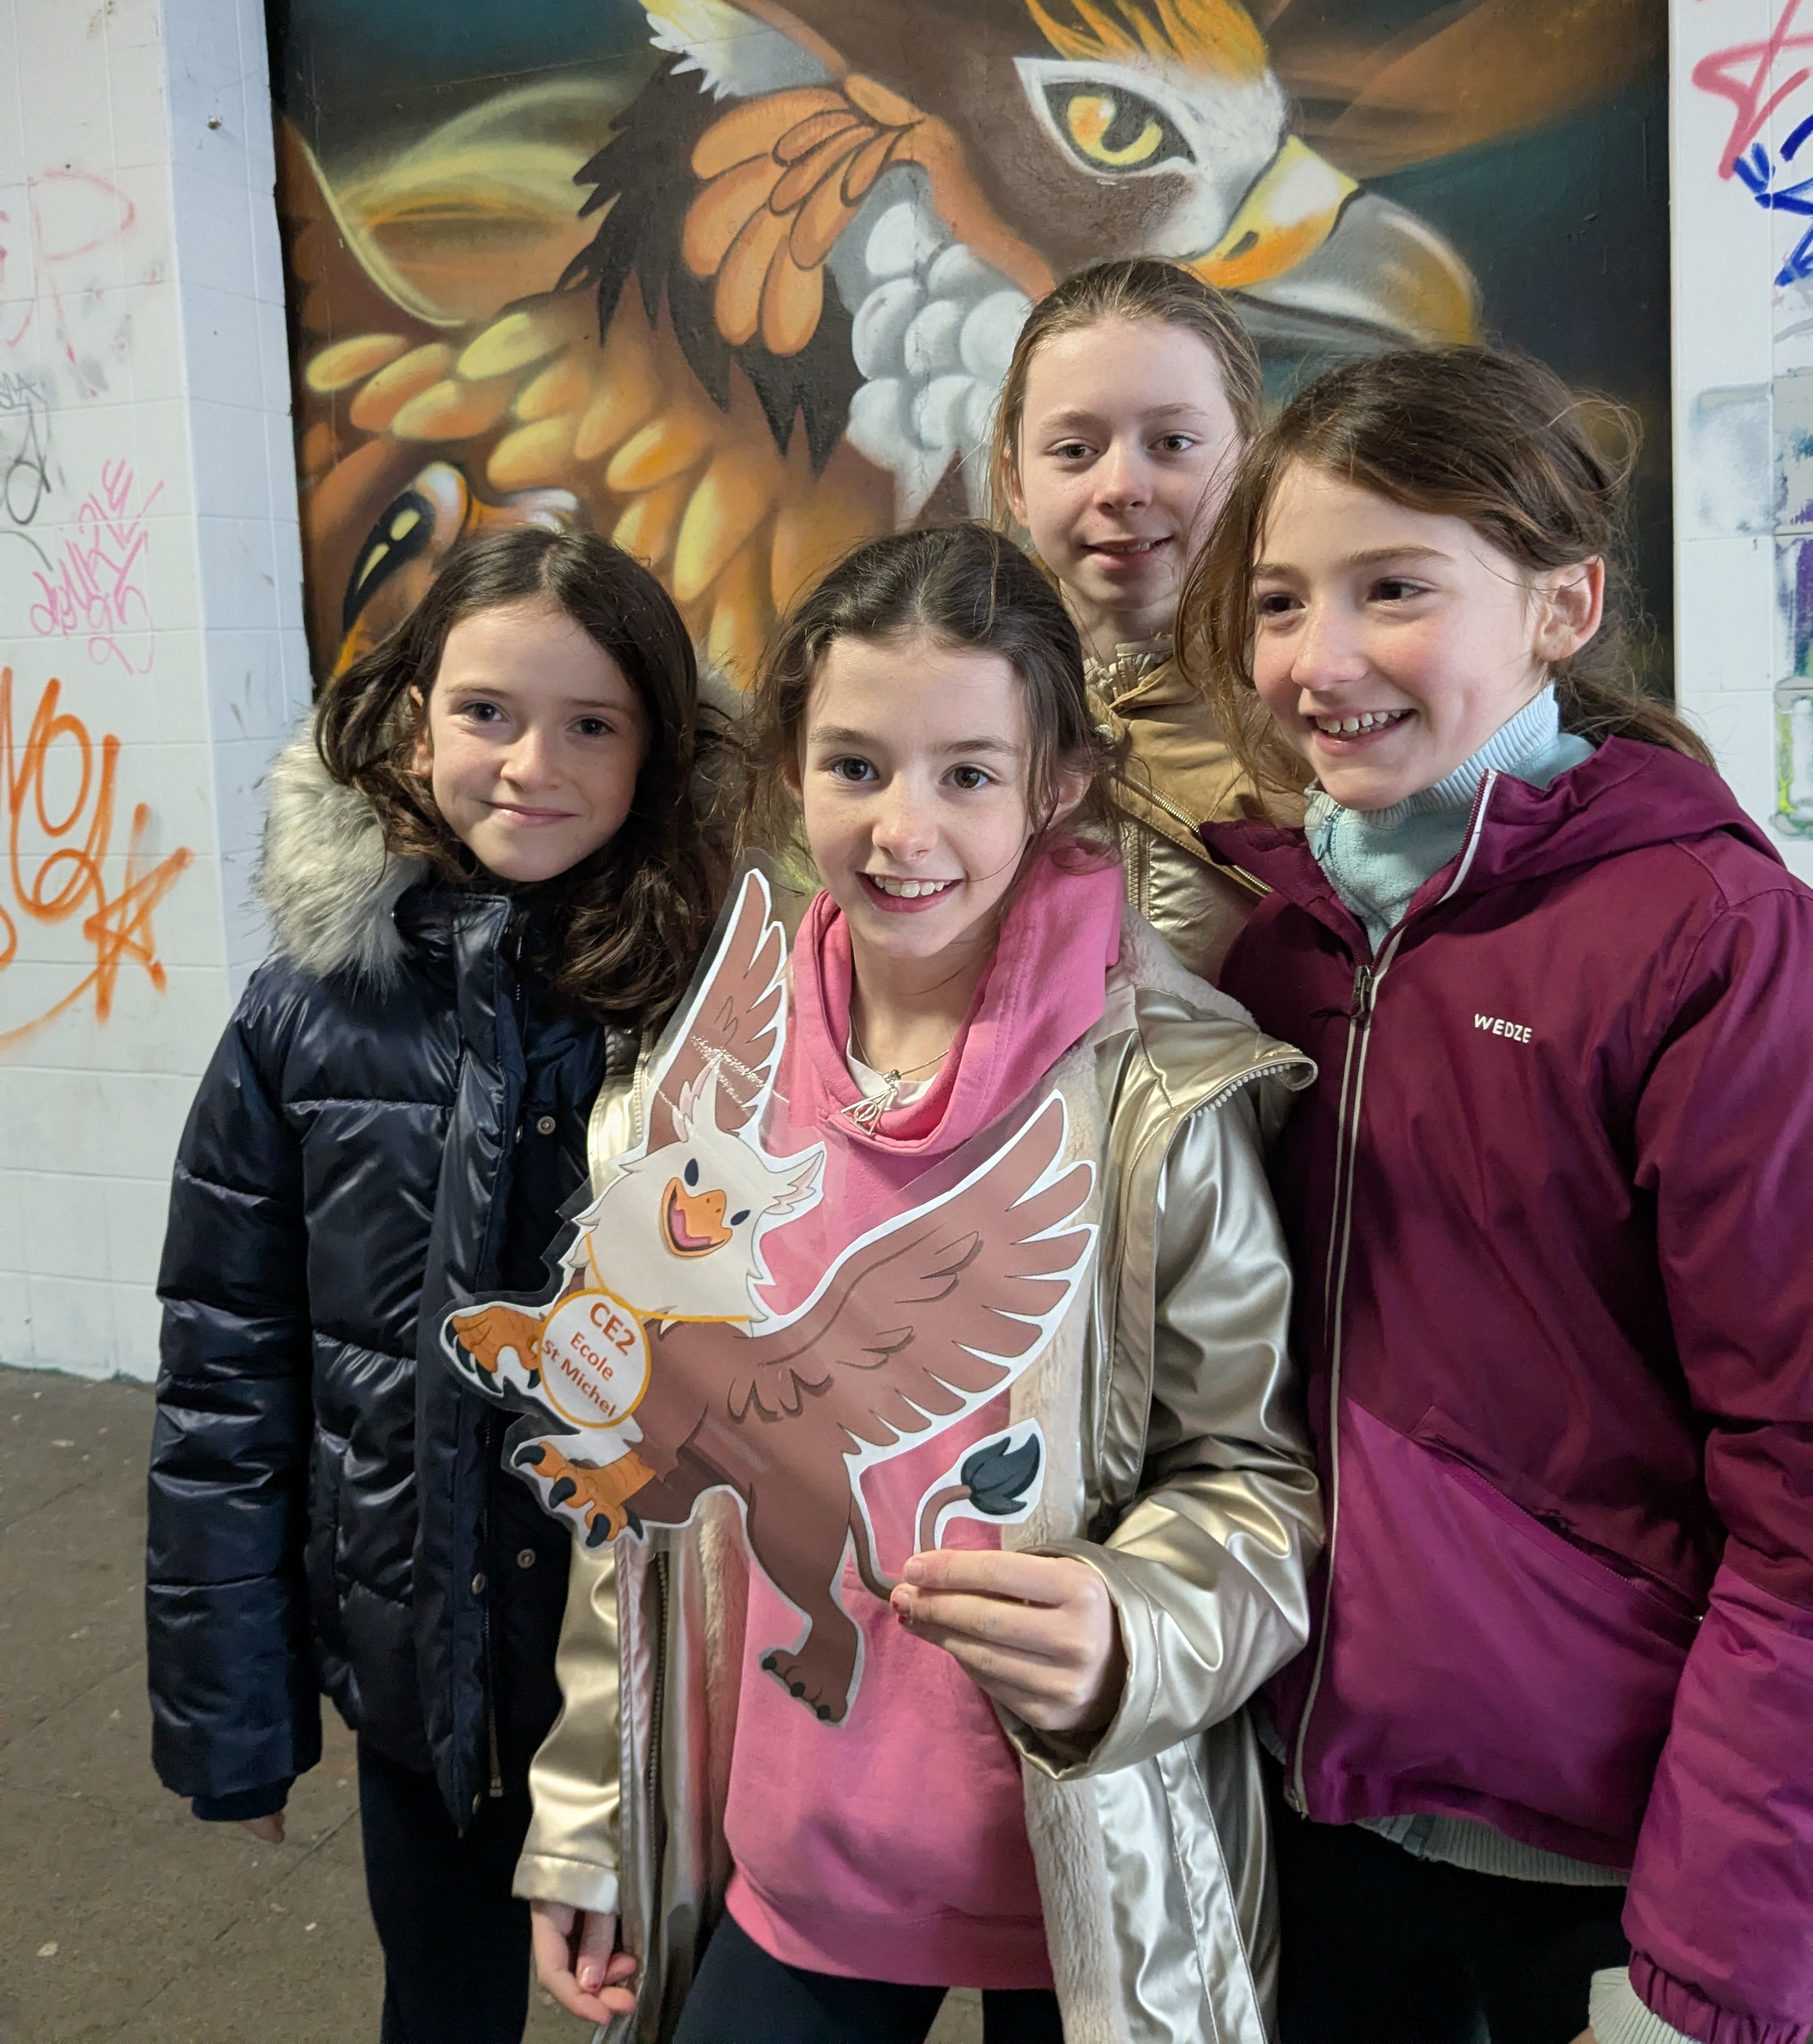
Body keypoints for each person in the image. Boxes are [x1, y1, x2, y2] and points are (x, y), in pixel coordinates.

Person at [519, 522, 1323, 2044]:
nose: (905, 830)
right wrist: (594, 1823)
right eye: (856, 766)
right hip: (793, 1858)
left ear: (1057, 784)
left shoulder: (1160, 1095)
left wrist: (1133, 1627)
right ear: (792, 770)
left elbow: (1256, 1481)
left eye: (967, 773)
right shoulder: (704, 1087)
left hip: (1086, 1874)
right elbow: (639, 1490)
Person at [1185, 347, 1813, 2044]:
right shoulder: (1262, 942)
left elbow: (1797, 1467)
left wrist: (1722, 1939)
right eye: (1281, 602)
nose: (1319, 661)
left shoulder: (1707, 940)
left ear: (1562, 605)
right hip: (1311, 1791)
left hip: (1601, 1845)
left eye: (1394, 589)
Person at [145, 527, 730, 2044]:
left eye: (592, 723)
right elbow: (226, 1376)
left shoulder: (729, 1007)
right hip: (427, 1679)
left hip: (669, 1686)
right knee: (445, 2004)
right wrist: (235, 1716)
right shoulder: (305, 1020)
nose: (533, 765)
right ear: (413, 724)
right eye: (487, 712)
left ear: (659, 748)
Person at [989, 255, 1288, 980]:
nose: (1122, 487)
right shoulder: (952, 693)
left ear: (1250, 462)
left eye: (1172, 443)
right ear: (1015, 481)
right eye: (1075, 451)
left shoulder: (1318, 699)